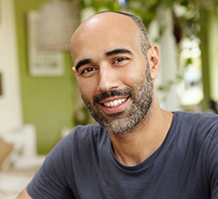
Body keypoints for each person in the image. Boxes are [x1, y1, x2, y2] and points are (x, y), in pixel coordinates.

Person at [17, 11, 218, 199]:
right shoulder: (75, 151)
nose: (104, 84)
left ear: (153, 62)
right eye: (88, 69)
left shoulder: (210, 141)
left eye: (119, 59)